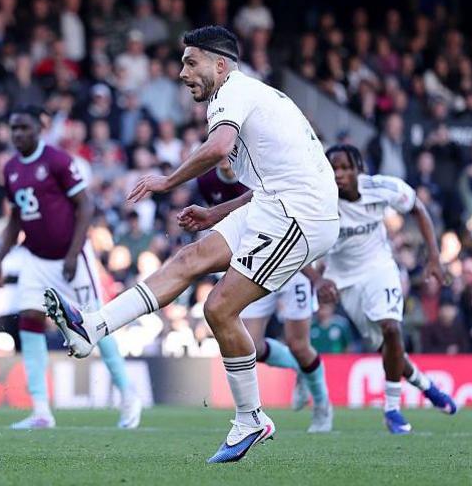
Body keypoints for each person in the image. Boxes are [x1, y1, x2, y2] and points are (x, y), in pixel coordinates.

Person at [45, 26, 339, 463]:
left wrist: (167, 180)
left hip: (302, 214)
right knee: (189, 258)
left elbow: (218, 148)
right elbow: (264, 180)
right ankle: (92, 328)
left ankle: (251, 419)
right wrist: (215, 214)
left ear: (220, 64)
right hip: (275, 202)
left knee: (219, 308)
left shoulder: (232, 93)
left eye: (190, 62)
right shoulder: (246, 96)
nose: (182, 73)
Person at [0, 105, 141, 430]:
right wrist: (2, 259)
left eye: (24, 128)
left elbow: (85, 205)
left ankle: (129, 395)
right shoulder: (12, 168)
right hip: (34, 257)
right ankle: (41, 410)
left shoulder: (57, 160)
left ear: (39, 129)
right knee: (29, 320)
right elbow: (16, 217)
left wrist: (73, 254)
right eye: (13, 128)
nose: (17, 134)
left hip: (71, 257)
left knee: (97, 324)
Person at [309, 144, 456, 434]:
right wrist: (317, 279)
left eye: (345, 167)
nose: (339, 174)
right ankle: (427, 386)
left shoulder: (381, 187)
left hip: (379, 268)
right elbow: (292, 243)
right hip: (343, 280)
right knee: (387, 348)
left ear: (359, 169)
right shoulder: (318, 201)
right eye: (333, 168)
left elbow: (417, 207)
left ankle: (391, 409)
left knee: (392, 329)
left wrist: (435, 258)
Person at [196, 159, 334, 432]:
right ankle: (301, 370)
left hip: (293, 262)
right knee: (252, 346)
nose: (226, 158)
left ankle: (322, 405)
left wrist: (315, 278)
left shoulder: (261, 172)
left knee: (299, 344)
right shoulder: (206, 182)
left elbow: (293, 231)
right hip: (255, 262)